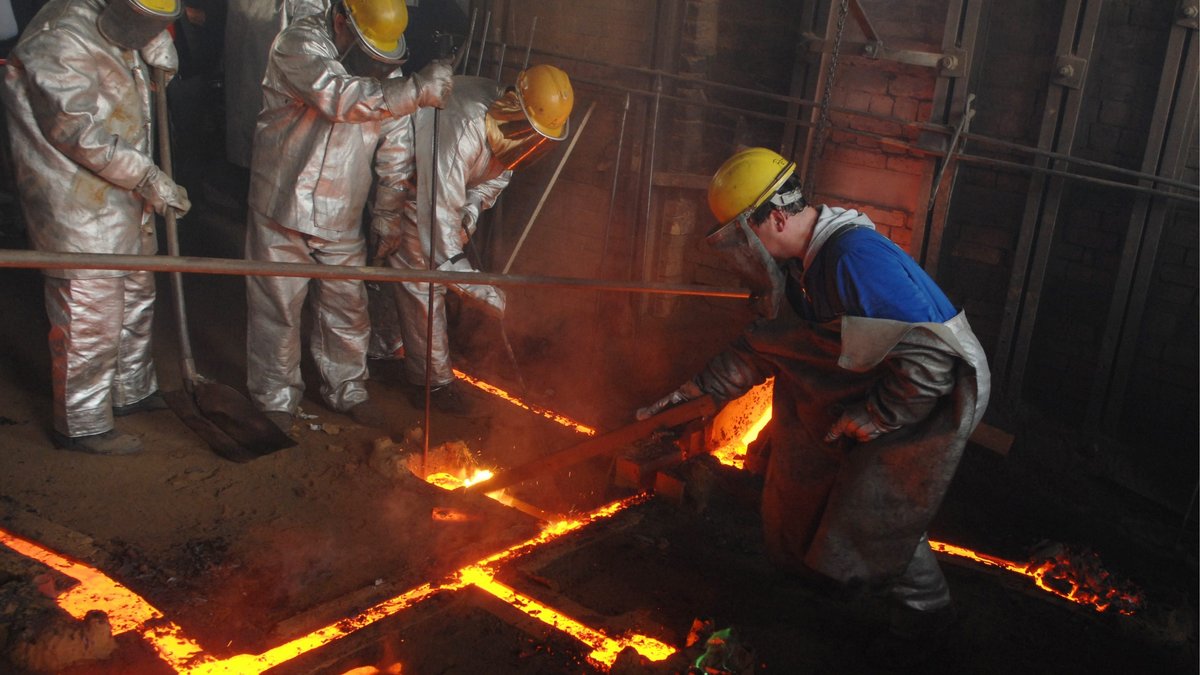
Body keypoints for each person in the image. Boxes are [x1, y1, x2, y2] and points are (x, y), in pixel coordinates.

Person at [636, 147, 990, 661]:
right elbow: (773, 344)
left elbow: (931, 359)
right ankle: (828, 574)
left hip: (936, 393)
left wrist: (878, 416)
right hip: (895, 380)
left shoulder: (851, 260)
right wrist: (696, 393)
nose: (747, 247)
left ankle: (927, 621)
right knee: (810, 457)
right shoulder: (809, 263)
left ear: (777, 216)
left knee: (878, 507)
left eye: (745, 233)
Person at [243, 0, 452, 432]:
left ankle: (348, 389)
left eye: (383, 57)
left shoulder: (384, 71)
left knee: (347, 309)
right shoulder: (298, 44)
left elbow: (396, 151)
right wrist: (414, 92)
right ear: (341, 21)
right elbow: (340, 97)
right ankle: (276, 398)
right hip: (285, 205)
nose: (377, 65)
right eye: (368, 52)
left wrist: (387, 214)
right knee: (279, 308)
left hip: (342, 212)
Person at [1, 0, 191, 455]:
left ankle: (132, 391)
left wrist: (155, 45)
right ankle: (83, 424)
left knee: (137, 292)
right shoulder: (58, 36)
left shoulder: (119, 18)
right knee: (92, 312)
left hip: (121, 191)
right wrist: (145, 175)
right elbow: (76, 131)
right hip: (74, 197)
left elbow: (126, 85)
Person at [373, 64, 574, 416]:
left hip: (442, 194)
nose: (534, 141)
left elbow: (492, 179)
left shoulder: (515, 131)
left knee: (409, 277)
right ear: (516, 107)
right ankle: (433, 383)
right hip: (409, 184)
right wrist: (473, 285)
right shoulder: (463, 126)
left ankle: (384, 348)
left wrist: (470, 211)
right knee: (426, 281)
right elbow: (437, 223)